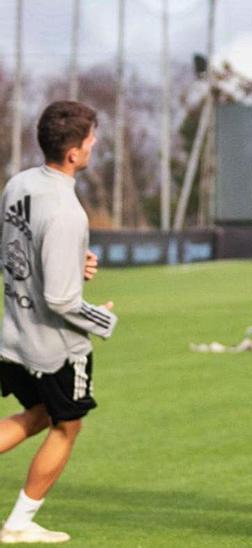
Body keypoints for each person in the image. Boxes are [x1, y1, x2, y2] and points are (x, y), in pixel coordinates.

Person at [0, 101, 119, 544]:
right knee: (66, 426)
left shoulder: (19, 183)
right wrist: (103, 319)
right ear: (74, 153)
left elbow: (11, 251)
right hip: (55, 348)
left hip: (13, 334)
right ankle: (18, 525)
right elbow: (62, 298)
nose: (93, 145)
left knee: (35, 415)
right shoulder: (68, 213)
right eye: (90, 140)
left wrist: (72, 259)